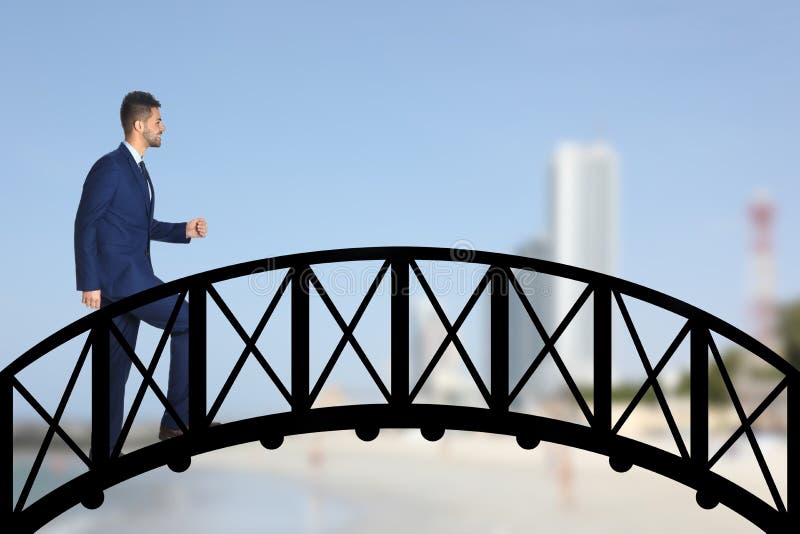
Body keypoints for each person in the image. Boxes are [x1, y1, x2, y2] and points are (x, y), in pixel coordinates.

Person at [74, 91, 208, 454]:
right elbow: (86, 223)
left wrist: (184, 229)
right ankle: (178, 422)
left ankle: (105, 454)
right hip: (124, 280)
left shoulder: (140, 171)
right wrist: (89, 282)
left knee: (114, 371)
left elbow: (139, 226)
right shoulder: (110, 167)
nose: (164, 127)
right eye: (158, 121)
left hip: (129, 279)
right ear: (139, 125)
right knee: (189, 317)